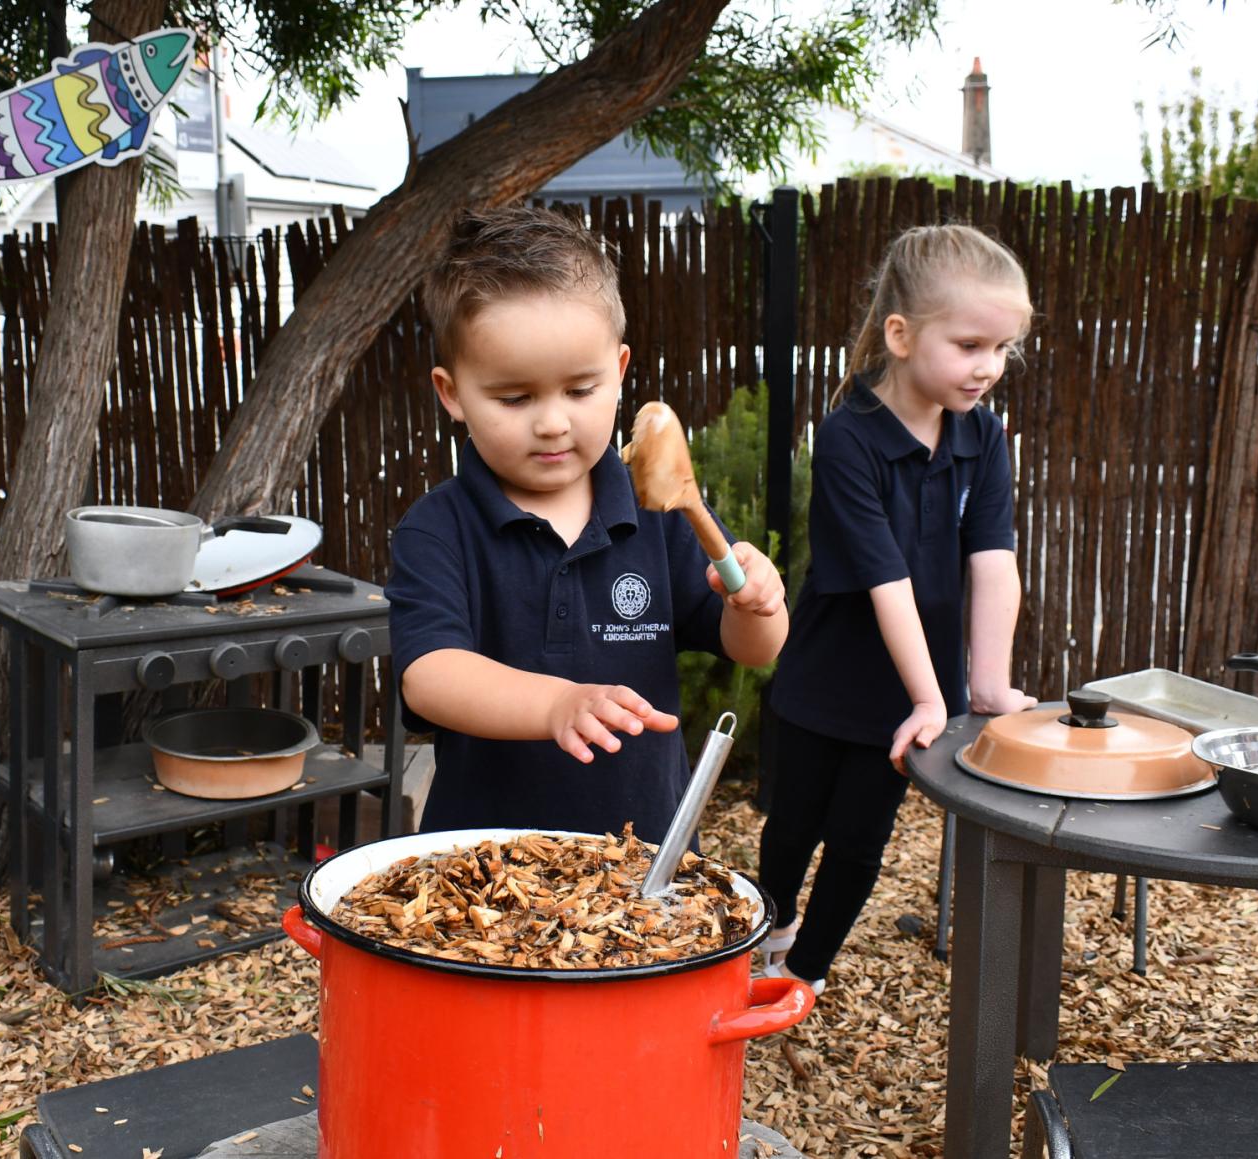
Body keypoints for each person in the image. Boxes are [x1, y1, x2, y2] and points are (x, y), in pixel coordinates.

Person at [387, 206, 788, 845]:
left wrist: (759, 604)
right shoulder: (438, 530)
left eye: (580, 390)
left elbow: (753, 649)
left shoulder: (660, 513)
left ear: (621, 371)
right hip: (486, 863)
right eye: (515, 398)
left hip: (641, 859)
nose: (552, 422)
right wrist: (555, 705)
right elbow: (430, 675)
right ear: (452, 392)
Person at [756, 223, 1037, 995]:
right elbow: (885, 579)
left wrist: (980, 684)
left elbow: (993, 558)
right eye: (971, 344)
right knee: (792, 828)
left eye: (1002, 349)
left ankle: (804, 973)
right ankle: (767, 933)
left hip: (911, 688)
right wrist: (929, 695)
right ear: (901, 334)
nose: (988, 368)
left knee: (859, 840)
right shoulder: (850, 436)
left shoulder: (981, 435)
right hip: (829, 677)